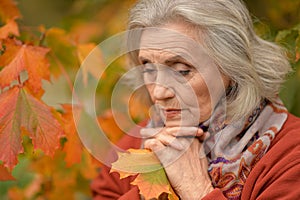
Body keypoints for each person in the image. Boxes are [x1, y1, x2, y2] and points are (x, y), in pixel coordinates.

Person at [91, 0, 300, 199]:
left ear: (231, 66)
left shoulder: (290, 155)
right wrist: (153, 189)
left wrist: (196, 188)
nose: (158, 93)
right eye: (149, 69)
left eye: (182, 71)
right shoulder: (138, 141)